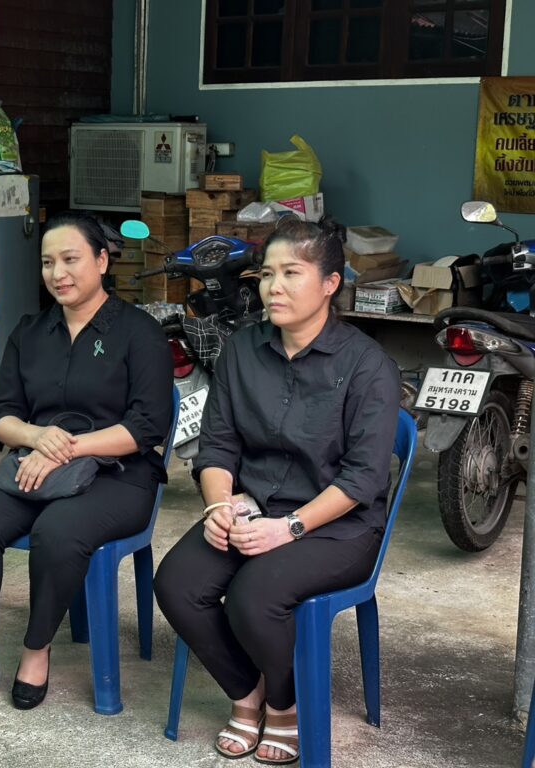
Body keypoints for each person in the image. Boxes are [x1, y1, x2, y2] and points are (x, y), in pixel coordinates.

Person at [153, 217, 400, 765]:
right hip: (253, 506)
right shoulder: (242, 351)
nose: (274, 287)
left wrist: (288, 528)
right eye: (267, 274)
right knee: (177, 583)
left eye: (292, 273)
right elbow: (218, 446)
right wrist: (219, 506)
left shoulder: (367, 366)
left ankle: (285, 707)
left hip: (338, 524)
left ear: (330, 284)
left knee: (254, 597)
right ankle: (247, 693)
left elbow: (362, 478)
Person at [0, 211, 173, 713]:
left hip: (119, 472)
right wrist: (37, 437)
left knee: (58, 531)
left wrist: (66, 449)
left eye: (71, 259)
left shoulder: (139, 333)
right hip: (36, 462)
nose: (58, 273)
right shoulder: (30, 332)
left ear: (101, 262)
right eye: (47, 262)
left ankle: (37, 649)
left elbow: (146, 427)